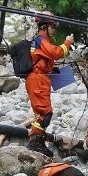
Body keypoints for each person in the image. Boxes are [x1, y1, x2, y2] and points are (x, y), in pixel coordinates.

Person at [26, 11, 74, 156]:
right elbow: (55, 52)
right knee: (45, 113)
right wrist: (67, 43)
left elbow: (44, 59)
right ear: (45, 26)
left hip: (40, 78)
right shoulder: (41, 40)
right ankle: (35, 142)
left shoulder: (40, 41)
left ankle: (38, 140)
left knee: (42, 113)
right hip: (38, 79)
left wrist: (52, 68)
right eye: (52, 27)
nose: (53, 30)